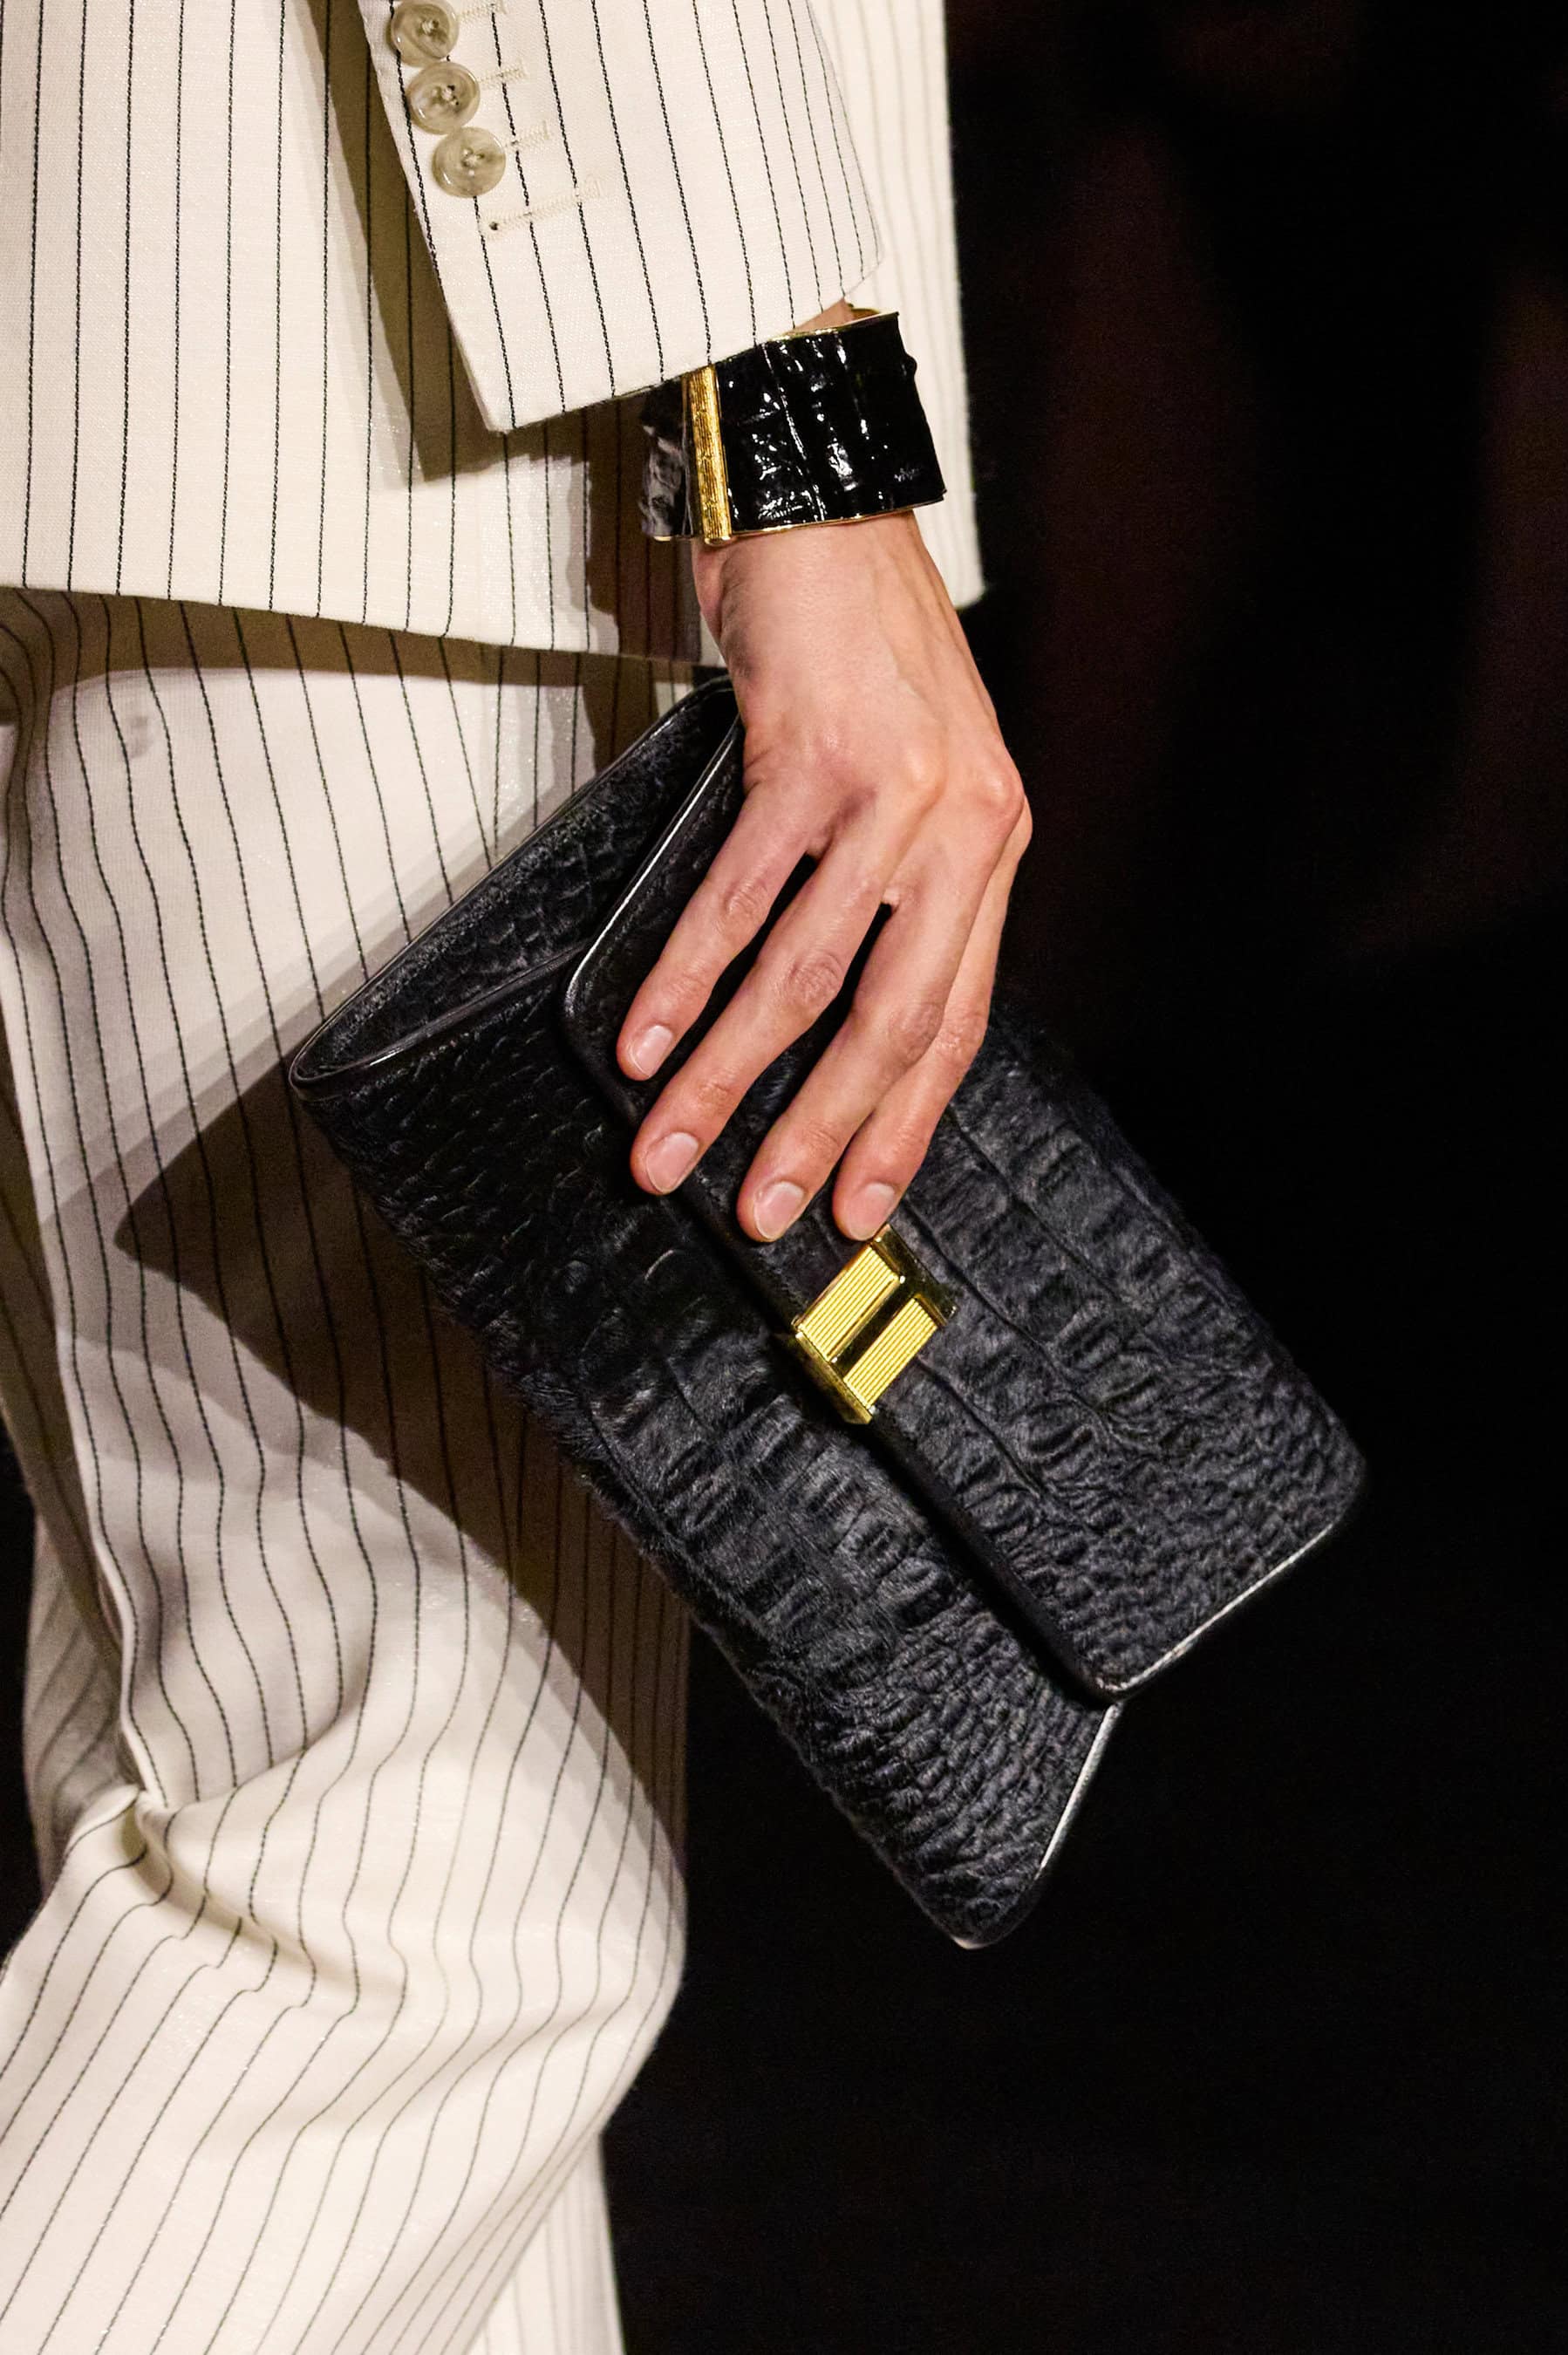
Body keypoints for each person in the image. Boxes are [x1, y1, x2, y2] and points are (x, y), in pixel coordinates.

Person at [0, 3, 1026, 2345]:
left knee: (303, 1811)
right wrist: (795, 421)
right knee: (421, 1882)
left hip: (182, 367)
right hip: (383, 388)